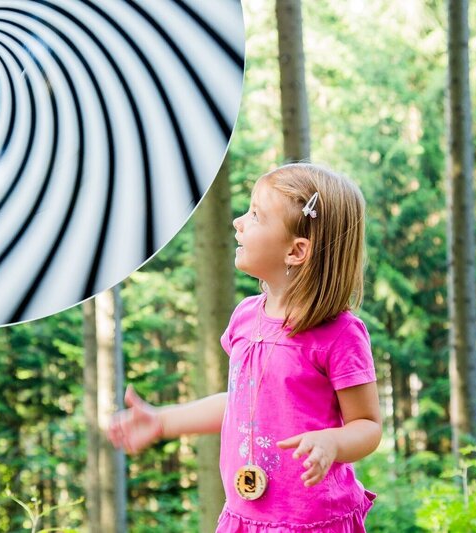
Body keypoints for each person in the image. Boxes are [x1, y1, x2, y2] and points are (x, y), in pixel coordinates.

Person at [107, 163, 381, 532]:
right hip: (245, 518)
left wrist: (333, 441)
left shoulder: (340, 334)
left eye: (255, 215)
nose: (238, 222)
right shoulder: (244, 318)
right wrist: (162, 421)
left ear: (296, 251)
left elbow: (367, 425)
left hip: (312, 522)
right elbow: (243, 403)